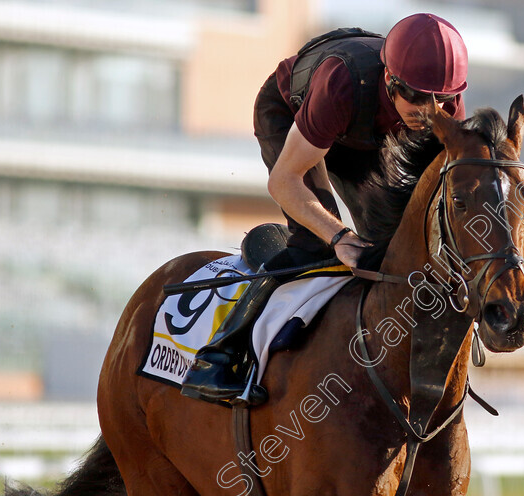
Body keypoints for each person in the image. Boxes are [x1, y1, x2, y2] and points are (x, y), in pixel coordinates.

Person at [181, 13, 469, 404]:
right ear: (390, 80)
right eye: (416, 97)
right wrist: (338, 235)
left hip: (365, 132)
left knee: (393, 247)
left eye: (442, 100)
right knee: (316, 244)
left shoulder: (442, 104)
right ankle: (221, 353)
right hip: (293, 115)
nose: (430, 111)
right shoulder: (341, 87)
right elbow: (284, 183)